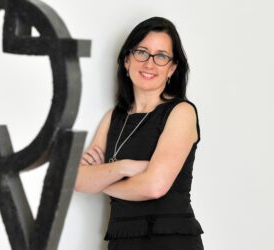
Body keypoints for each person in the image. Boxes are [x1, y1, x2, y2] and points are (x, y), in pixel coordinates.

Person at [75, 16, 204, 250]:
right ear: (127, 60)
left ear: (172, 68)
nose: (149, 63)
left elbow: (155, 186)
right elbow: (77, 180)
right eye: (142, 52)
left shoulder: (181, 112)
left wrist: (100, 181)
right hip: (122, 240)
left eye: (161, 56)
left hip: (170, 241)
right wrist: (124, 167)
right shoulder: (113, 118)